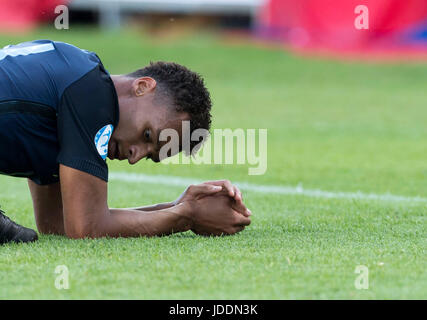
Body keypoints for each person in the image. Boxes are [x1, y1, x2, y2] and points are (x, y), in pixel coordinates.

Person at [0, 40, 251, 244]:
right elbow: (86, 227)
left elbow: (57, 223)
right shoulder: (91, 94)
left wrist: (177, 206)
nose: (134, 156)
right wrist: (187, 217)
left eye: (149, 155)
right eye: (148, 136)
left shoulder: (72, 92)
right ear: (142, 87)